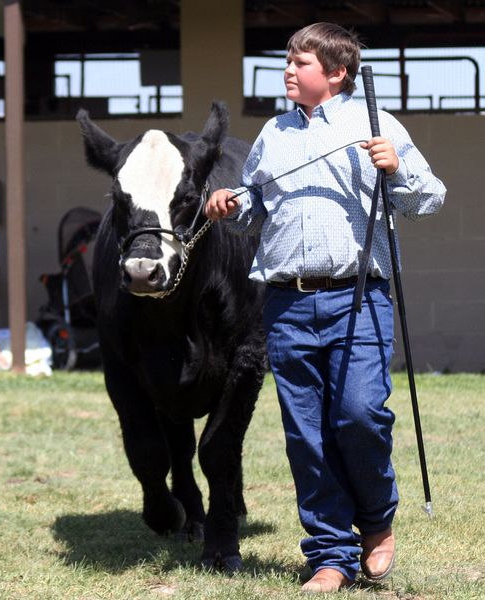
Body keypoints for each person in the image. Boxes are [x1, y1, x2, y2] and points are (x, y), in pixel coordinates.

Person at [205, 22, 446, 594]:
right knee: (307, 435)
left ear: (337, 73)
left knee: (359, 415)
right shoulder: (273, 134)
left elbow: (429, 197)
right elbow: (255, 205)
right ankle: (330, 556)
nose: (288, 71)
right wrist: (227, 204)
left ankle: (377, 520)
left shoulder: (377, 125)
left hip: (358, 297)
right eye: (287, 62)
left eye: (300, 63)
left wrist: (398, 167)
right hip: (286, 305)